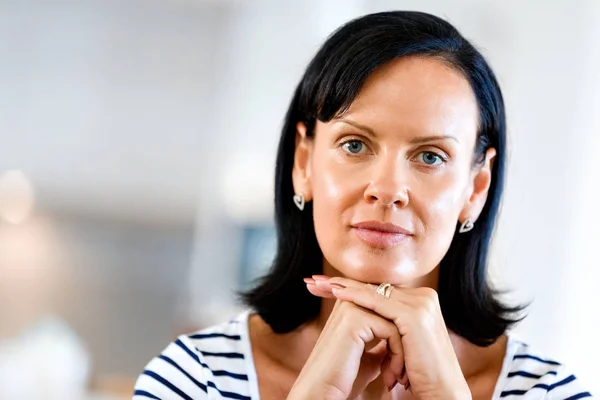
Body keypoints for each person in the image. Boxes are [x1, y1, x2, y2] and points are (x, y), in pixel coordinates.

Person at [132, 11, 591, 400]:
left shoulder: (548, 390)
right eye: (355, 145)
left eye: (430, 156)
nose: (387, 188)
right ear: (304, 162)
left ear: (475, 188)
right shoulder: (195, 378)